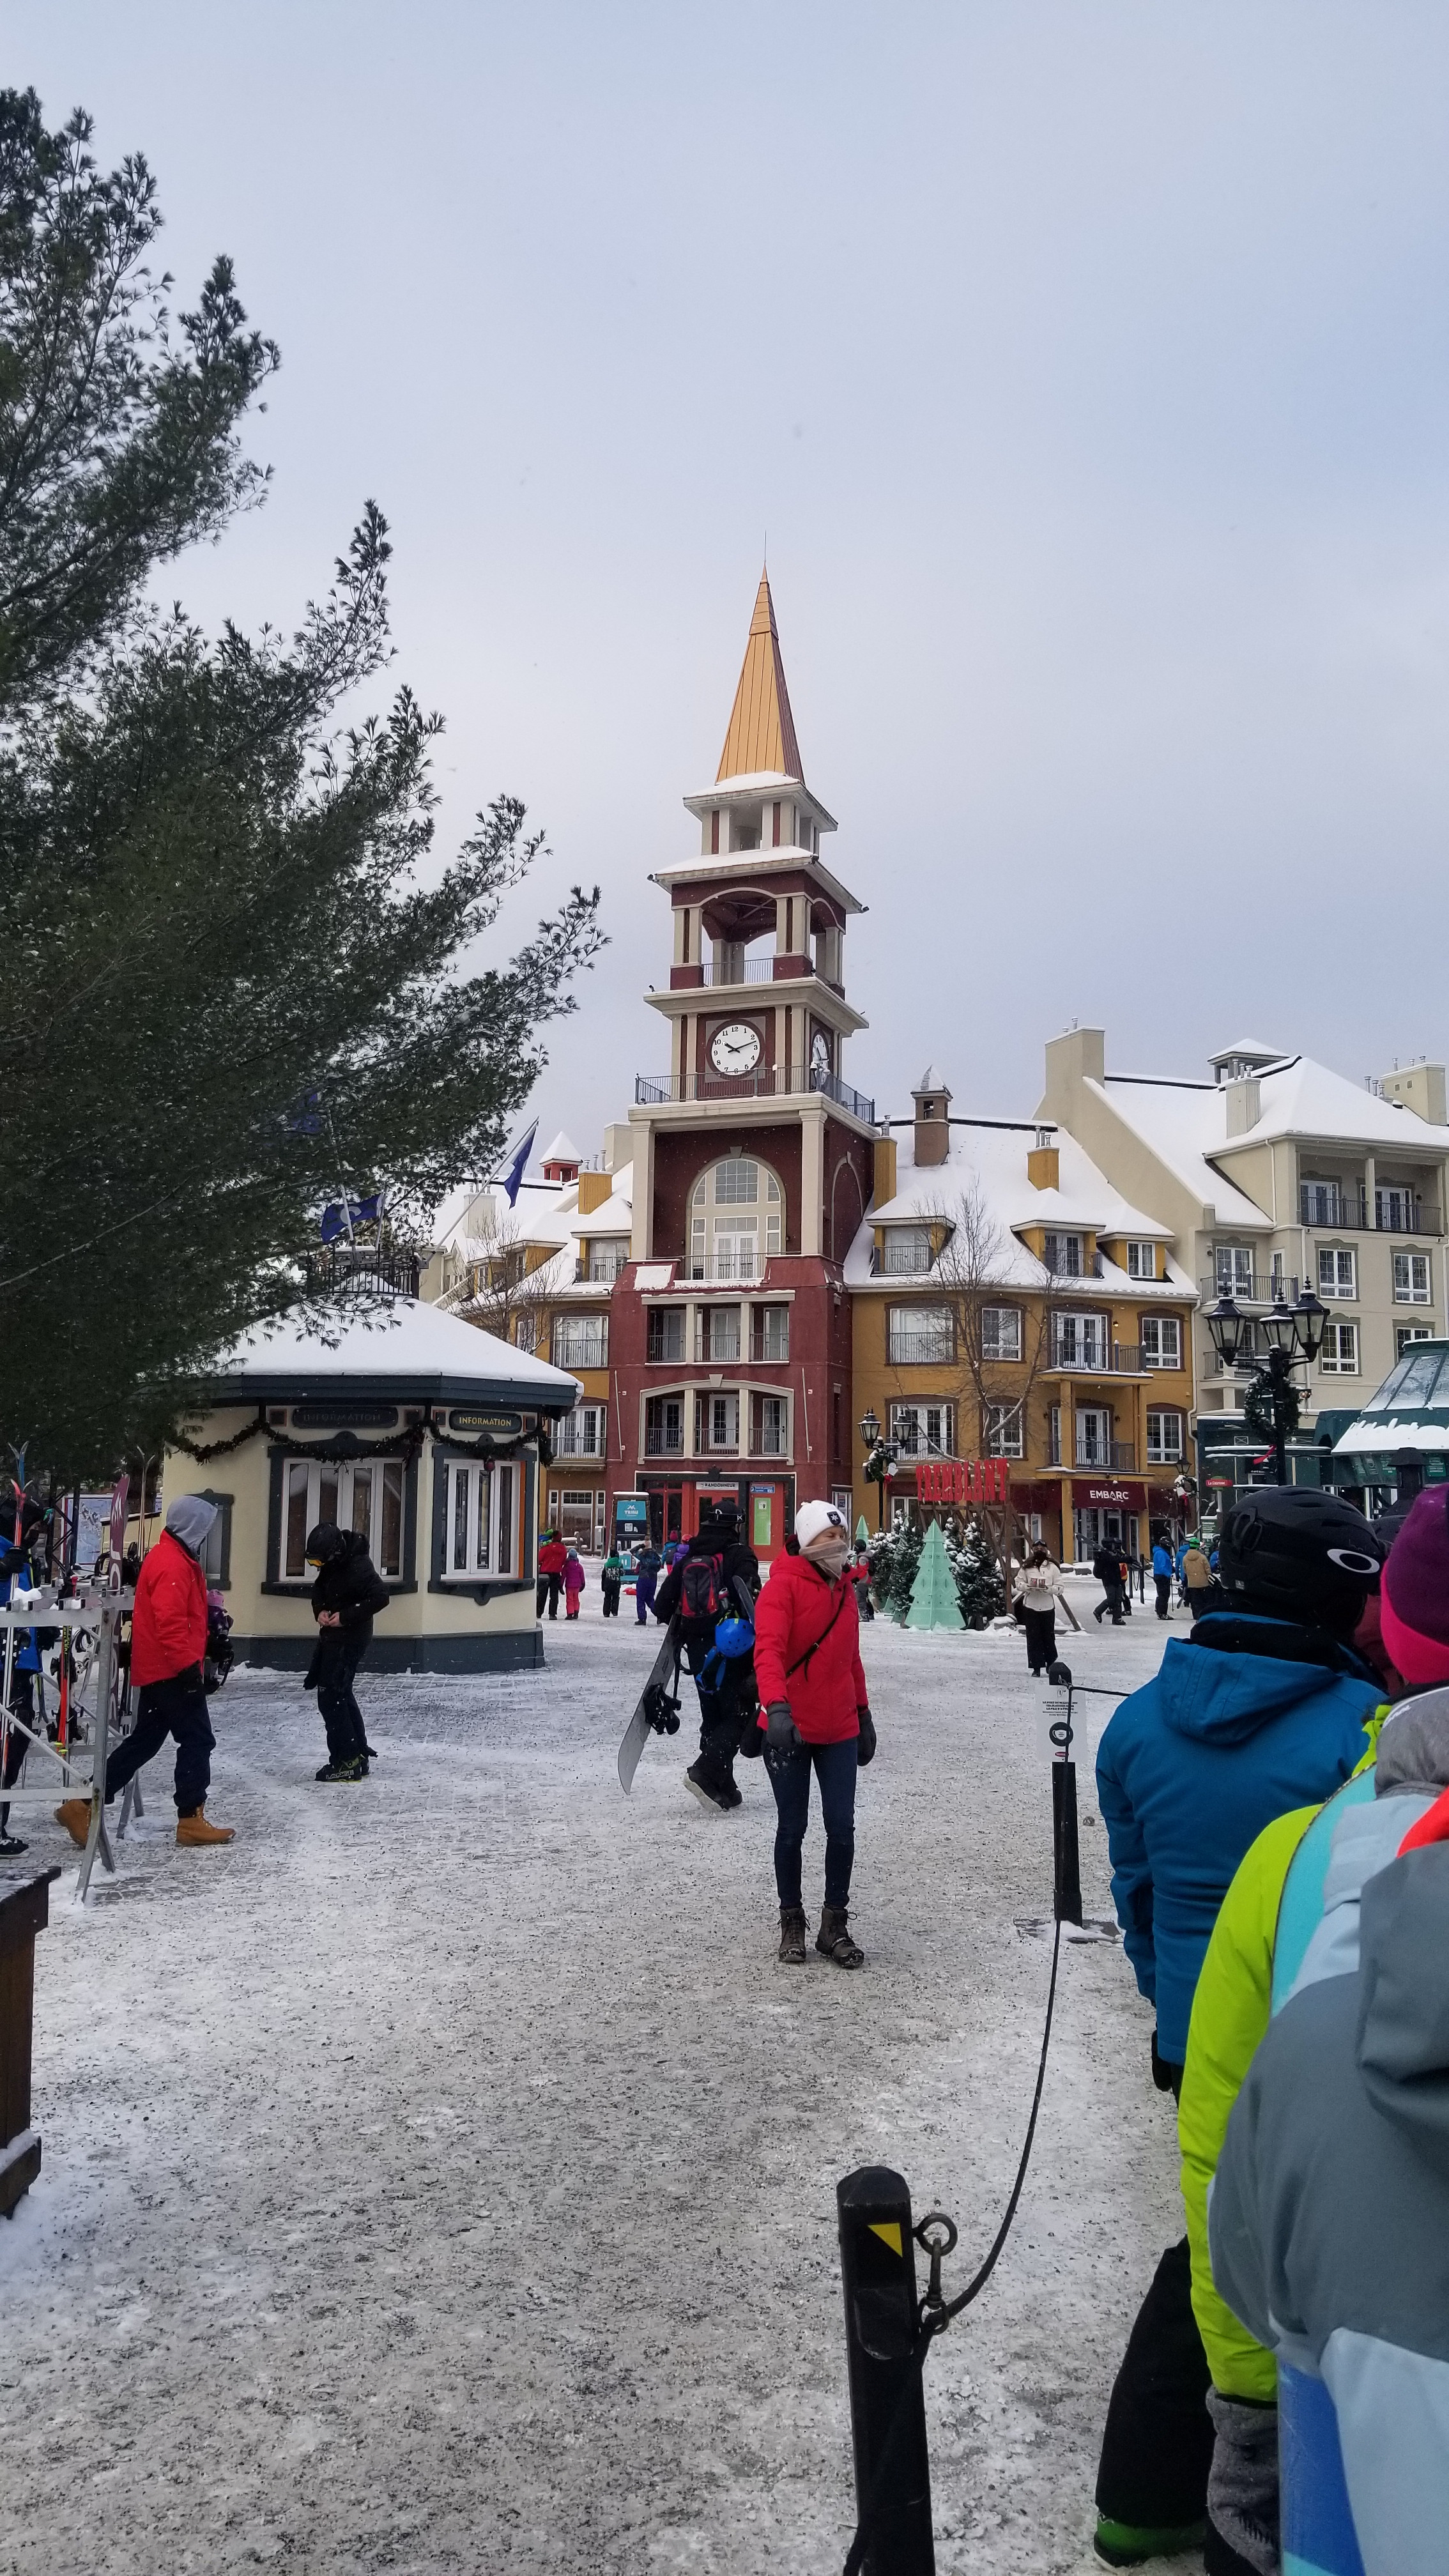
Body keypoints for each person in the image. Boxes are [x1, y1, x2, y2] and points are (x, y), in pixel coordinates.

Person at [1091, 1485, 1387, 2570]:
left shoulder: (1134, 1724)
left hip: (1194, 2030)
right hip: (1325, 2038)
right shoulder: (1357, 1727)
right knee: (1305, 2265)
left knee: (1212, 2243)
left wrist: (1169, 1996)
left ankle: (1140, 2496)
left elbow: (1133, 1889)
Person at [1179, 1673, 1449, 2576]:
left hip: (1338, 2472)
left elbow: (1227, 2187)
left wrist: (1246, 2406)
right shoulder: (1327, 1750)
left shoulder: (1298, 1853)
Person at [57, 1496, 236, 1849]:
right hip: (171, 1670)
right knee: (198, 1740)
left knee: (145, 1742)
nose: (206, 1534)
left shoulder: (173, 1556)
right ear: (192, 1526)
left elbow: (182, 1618)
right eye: (204, 1527)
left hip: (160, 1667)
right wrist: (188, 1667)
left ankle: (82, 1804)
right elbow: (170, 1623)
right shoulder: (173, 1563)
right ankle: (190, 1818)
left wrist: (207, 1644)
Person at [753, 1499, 873, 1968]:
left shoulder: (845, 1591)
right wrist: (777, 1707)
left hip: (840, 1725)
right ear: (806, 1542)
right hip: (789, 1727)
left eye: (840, 1537)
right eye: (828, 1538)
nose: (838, 1545)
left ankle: (834, 1924)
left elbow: (851, 1659)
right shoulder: (782, 1587)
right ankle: (792, 1921)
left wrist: (863, 1713)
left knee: (842, 1827)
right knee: (792, 1827)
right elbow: (768, 1651)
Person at [654, 1504, 760, 1813]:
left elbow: (662, 1605)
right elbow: (751, 1599)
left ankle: (723, 1784)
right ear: (735, 1526)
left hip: (699, 1651)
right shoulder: (740, 1555)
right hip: (733, 1647)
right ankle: (705, 1771)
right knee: (740, 1714)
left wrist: (692, 1625)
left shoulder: (690, 1556)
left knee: (713, 1714)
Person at [303, 1521, 390, 1782]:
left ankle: (347, 1760)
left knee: (332, 1697)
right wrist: (320, 1610)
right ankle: (357, 1755)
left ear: (335, 1552)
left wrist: (345, 1617)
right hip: (334, 1638)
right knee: (340, 1693)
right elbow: (320, 1588)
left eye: (320, 1562)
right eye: (314, 1563)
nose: (318, 1567)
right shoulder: (333, 1564)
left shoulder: (359, 1566)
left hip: (351, 1639)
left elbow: (381, 1597)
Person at [0, 1506, 43, 1856]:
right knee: (6, 1741)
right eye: (33, 1527)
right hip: (3, 1662)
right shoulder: (6, 1554)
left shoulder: (23, 1557)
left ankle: (1, 1820)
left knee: (17, 1738)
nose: (36, 1535)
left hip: (22, 1662)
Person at [1013, 1543, 1066, 1676]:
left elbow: (1060, 1587)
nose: (1039, 1551)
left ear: (1046, 1550)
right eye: (1036, 1549)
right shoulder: (1027, 1566)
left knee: (1049, 1637)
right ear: (1033, 1551)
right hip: (1031, 1607)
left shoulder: (1053, 1567)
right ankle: (1036, 1667)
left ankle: (1051, 1663)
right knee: (1033, 1638)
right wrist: (1026, 1587)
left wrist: (1049, 1589)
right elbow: (1018, 1582)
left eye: (1042, 1549)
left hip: (1048, 1607)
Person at [536, 1528, 567, 1620]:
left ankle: (539, 1612)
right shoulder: (563, 1549)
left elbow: (539, 1559)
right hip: (556, 1574)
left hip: (545, 1573)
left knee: (542, 1594)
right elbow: (563, 1561)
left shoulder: (547, 1548)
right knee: (554, 1595)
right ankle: (552, 1614)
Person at [1093, 1538, 1126, 1624]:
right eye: (1113, 1544)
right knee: (1111, 1599)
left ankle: (1117, 1618)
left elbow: (1121, 1559)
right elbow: (1111, 1561)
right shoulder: (1103, 1555)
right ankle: (1098, 1611)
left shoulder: (1114, 1553)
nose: (1114, 1546)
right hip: (1108, 1580)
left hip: (1117, 1578)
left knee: (1118, 1599)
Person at [633, 1538, 663, 1626]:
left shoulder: (643, 1555)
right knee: (650, 1599)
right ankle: (659, 1614)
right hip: (653, 1578)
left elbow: (633, 1551)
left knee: (641, 1599)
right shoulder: (656, 1556)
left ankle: (642, 1618)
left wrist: (641, 1545)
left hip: (643, 1578)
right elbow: (659, 1567)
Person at [1151, 1529, 1174, 1621]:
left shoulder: (1161, 1552)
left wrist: (1171, 1569)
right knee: (1164, 1595)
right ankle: (1162, 1613)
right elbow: (1162, 1566)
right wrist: (1169, 1574)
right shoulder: (1161, 1553)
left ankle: (1159, 1611)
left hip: (1160, 1575)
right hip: (1162, 1576)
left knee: (1161, 1594)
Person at [848, 1543, 875, 1621]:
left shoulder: (862, 1558)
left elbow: (863, 1570)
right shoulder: (866, 1556)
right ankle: (870, 1614)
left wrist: (857, 1578)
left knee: (860, 1598)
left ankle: (864, 1615)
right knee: (865, 1597)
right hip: (867, 1580)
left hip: (863, 1581)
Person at [601, 1547, 625, 1618]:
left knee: (607, 1598)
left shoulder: (606, 1564)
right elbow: (623, 1573)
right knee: (616, 1598)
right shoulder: (619, 1564)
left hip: (608, 1583)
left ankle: (606, 1612)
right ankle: (614, 1612)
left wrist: (603, 1584)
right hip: (616, 1583)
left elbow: (604, 1574)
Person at [563, 1546, 586, 1620]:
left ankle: (570, 1613)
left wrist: (561, 1584)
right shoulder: (579, 1566)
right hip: (577, 1586)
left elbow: (563, 1576)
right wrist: (583, 1584)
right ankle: (576, 1612)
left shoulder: (567, 1566)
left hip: (569, 1586)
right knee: (576, 1599)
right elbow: (582, 1577)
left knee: (570, 1599)